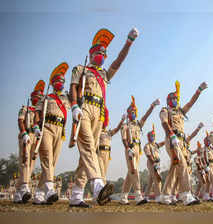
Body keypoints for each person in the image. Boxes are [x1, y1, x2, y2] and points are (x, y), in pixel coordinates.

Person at [69, 28, 139, 208]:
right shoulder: (80, 69)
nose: (102, 55)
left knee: (87, 153)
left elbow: (119, 61)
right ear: (91, 54)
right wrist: (75, 106)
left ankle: (76, 195)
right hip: (84, 108)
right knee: (88, 146)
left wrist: (129, 42)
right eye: (99, 52)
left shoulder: (104, 74)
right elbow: (74, 88)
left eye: (104, 53)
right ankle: (98, 186)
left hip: (98, 113)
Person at [160, 80, 207, 205]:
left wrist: (199, 90)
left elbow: (191, 103)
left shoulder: (180, 111)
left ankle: (165, 195)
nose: (175, 100)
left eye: (176, 98)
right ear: (168, 100)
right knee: (182, 165)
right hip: (172, 140)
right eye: (173, 98)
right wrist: (171, 135)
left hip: (181, 142)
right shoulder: (165, 110)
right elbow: (164, 123)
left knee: (175, 167)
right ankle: (186, 194)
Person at [33, 62, 70, 205]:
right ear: (53, 83)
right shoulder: (46, 98)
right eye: (58, 81)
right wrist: (36, 126)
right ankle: (50, 189)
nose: (61, 83)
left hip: (60, 130)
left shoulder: (66, 98)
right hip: (46, 128)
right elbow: (37, 113)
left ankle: (39, 194)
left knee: (51, 163)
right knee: (47, 159)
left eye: (62, 81)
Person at [119, 96, 160, 205]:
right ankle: (138, 195)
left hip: (138, 149)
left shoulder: (138, 124)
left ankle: (123, 197)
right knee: (135, 171)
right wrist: (128, 149)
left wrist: (152, 106)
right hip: (130, 149)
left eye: (134, 111)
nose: (133, 113)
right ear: (128, 113)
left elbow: (146, 116)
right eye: (131, 112)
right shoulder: (125, 125)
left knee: (130, 172)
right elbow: (124, 139)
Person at [14, 80, 45, 203]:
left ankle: (18, 193)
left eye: (40, 97)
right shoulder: (25, 108)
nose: (38, 99)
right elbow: (20, 121)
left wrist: (37, 144)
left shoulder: (40, 113)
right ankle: (25, 188)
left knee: (30, 166)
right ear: (32, 98)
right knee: (24, 161)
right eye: (36, 97)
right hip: (26, 135)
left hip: (34, 136)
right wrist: (24, 133)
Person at [143, 124, 165, 203]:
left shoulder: (155, 145)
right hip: (152, 163)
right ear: (148, 137)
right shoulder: (147, 146)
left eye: (153, 135)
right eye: (150, 136)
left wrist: (167, 139)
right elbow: (149, 156)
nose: (152, 137)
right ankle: (158, 196)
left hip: (157, 163)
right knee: (157, 179)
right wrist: (154, 165)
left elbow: (161, 144)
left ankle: (145, 196)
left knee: (151, 180)